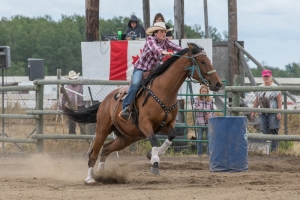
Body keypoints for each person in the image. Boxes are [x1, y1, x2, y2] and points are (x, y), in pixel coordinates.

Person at [119, 22, 183, 121]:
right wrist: (165, 52)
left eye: (165, 31)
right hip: (140, 68)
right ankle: (125, 107)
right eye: (162, 31)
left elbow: (178, 48)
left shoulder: (165, 41)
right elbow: (156, 49)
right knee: (135, 84)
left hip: (153, 70)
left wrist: (188, 51)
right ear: (155, 33)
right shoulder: (150, 39)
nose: (164, 33)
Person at [251, 69, 282, 152]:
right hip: (262, 112)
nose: (266, 78)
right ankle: (265, 149)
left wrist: (279, 112)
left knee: (273, 129)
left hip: (273, 112)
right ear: (262, 77)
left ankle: (274, 149)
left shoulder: (275, 87)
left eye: (267, 76)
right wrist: (253, 111)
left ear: (271, 77)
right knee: (264, 131)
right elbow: (257, 101)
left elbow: (279, 100)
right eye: (264, 76)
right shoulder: (260, 87)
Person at [61, 70, 86, 134]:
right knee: (71, 122)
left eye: (74, 78)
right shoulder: (67, 87)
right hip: (71, 107)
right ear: (69, 79)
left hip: (81, 106)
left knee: (82, 121)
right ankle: (72, 136)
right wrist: (62, 106)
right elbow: (63, 98)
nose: (73, 80)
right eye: (72, 79)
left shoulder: (81, 85)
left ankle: (83, 135)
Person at [193, 85, 214, 156]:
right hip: (200, 121)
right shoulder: (197, 99)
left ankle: (208, 153)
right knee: (200, 137)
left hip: (208, 122)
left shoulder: (210, 100)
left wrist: (209, 115)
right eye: (203, 91)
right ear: (200, 92)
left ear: (207, 92)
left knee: (209, 137)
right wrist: (202, 109)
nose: (204, 92)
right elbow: (195, 107)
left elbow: (212, 110)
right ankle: (200, 154)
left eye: (205, 91)